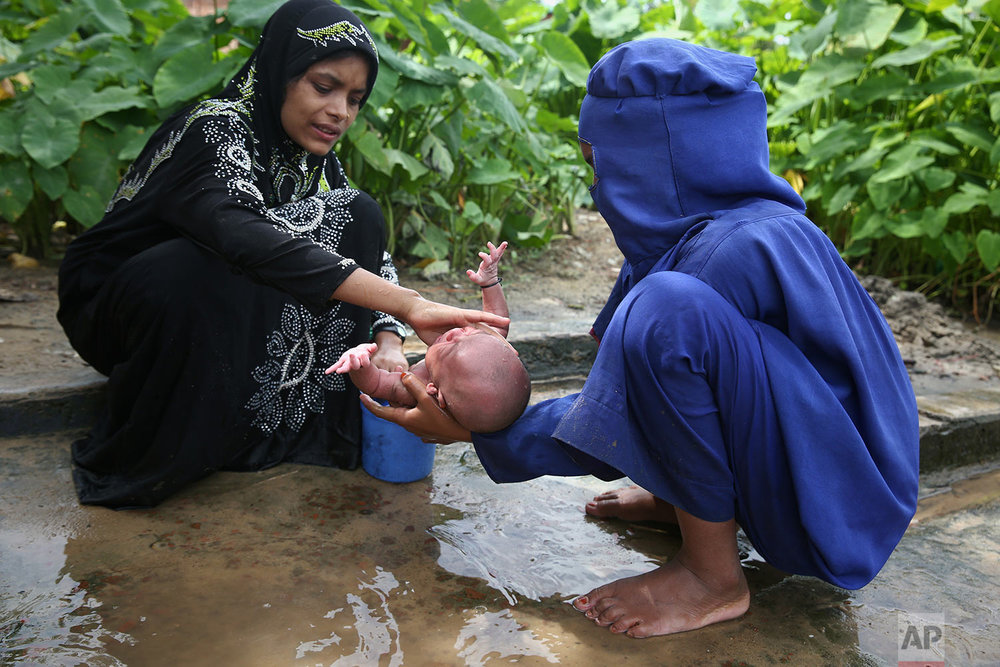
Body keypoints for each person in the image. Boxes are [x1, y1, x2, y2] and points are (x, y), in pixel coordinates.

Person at [364, 38, 920, 638]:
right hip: (799, 451)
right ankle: (686, 505)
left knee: (663, 314)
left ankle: (712, 578)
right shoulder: (684, 235)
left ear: (655, 162)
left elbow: (614, 415)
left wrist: (478, 430)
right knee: (648, 314)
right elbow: (621, 380)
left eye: (599, 167)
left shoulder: (731, 251)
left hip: (838, 500)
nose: (597, 189)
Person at [55, 0, 506, 509]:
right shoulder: (216, 127)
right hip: (121, 308)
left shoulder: (313, 158)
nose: (341, 111)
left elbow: (367, 251)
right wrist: (410, 305)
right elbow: (243, 235)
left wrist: (388, 339)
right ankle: (180, 435)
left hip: (201, 298)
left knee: (355, 213)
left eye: (355, 98)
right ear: (280, 71)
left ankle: (280, 419)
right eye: (323, 86)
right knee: (199, 262)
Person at [328, 241, 531, 433]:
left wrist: (360, 365)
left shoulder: (417, 388)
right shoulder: (487, 349)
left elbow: (376, 384)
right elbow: (497, 320)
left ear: (436, 391)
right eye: (471, 334)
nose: (456, 332)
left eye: (450, 345)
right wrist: (490, 282)